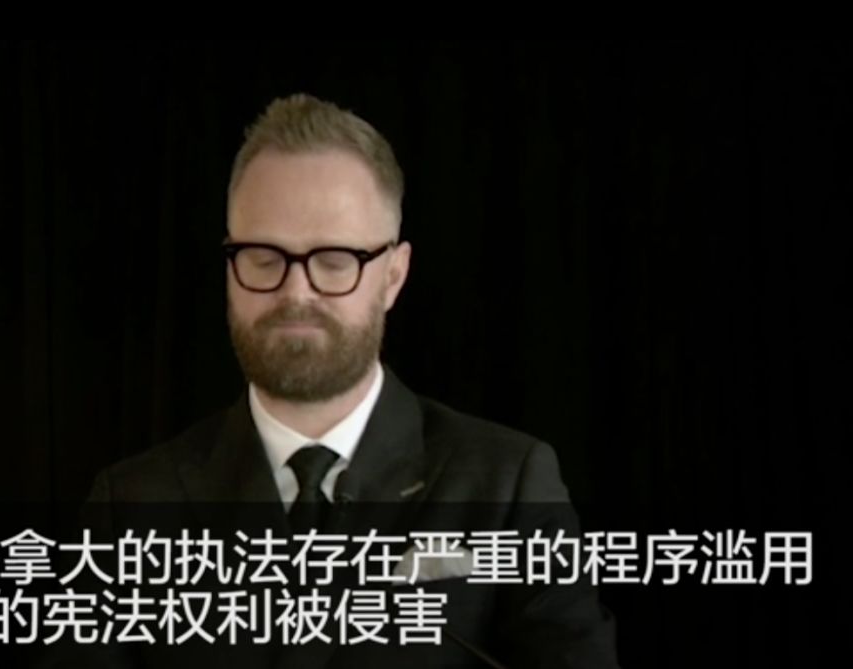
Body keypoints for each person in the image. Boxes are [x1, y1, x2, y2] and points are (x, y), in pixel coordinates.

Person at [86, 93, 620, 669]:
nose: (296, 292)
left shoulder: (507, 486)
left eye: (335, 260)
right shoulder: (129, 506)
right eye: (264, 258)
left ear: (393, 275)